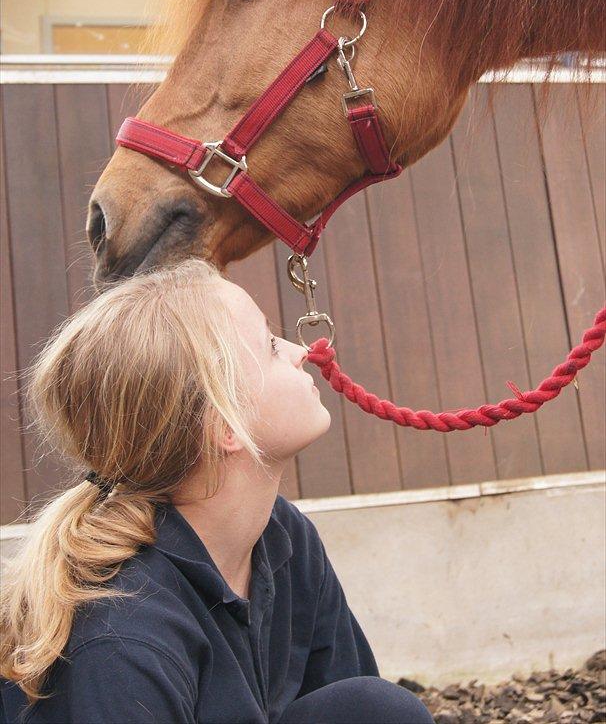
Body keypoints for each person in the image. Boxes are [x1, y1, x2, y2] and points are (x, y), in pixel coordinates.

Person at [0, 259, 433, 724]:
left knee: (373, 713)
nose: (297, 350)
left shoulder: (281, 538)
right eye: (269, 346)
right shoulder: (123, 643)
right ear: (224, 425)